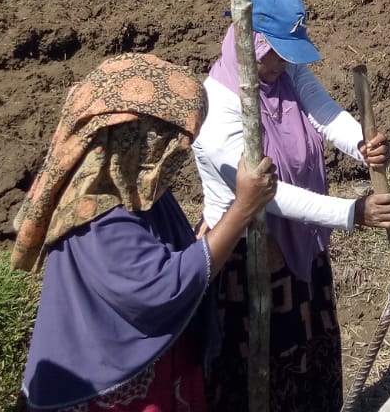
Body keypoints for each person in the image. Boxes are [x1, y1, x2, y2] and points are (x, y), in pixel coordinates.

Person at [14, 53, 278, 412]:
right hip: (112, 387)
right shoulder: (99, 217)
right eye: (173, 142)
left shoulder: (130, 184)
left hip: (149, 363)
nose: (178, 156)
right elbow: (164, 288)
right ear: (138, 138)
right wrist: (242, 209)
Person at [192, 0, 390, 412]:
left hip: (301, 246)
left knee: (313, 355)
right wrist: (351, 212)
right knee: (261, 374)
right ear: (253, 42)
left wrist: (360, 143)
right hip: (251, 257)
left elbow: (320, 110)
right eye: (278, 51)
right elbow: (266, 196)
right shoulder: (218, 110)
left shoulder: (280, 68)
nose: (285, 62)